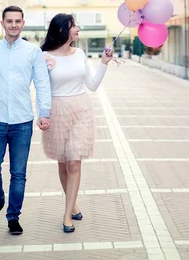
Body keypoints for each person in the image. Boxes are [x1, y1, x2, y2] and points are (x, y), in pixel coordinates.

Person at [0, 5, 52, 235]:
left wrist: (44, 111)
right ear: (3, 23)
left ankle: (13, 217)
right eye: (10, 21)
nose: (14, 25)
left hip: (22, 121)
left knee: (18, 173)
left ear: (23, 23)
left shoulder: (32, 51)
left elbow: (42, 83)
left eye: (18, 21)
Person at [40, 13, 112, 233]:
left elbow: (92, 85)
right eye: (74, 25)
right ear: (63, 30)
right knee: (63, 163)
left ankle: (66, 215)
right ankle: (73, 204)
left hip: (81, 109)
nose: (78, 28)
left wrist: (103, 63)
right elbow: (41, 89)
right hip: (57, 111)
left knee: (74, 162)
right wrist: (41, 113)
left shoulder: (80, 53)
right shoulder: (44, 56)